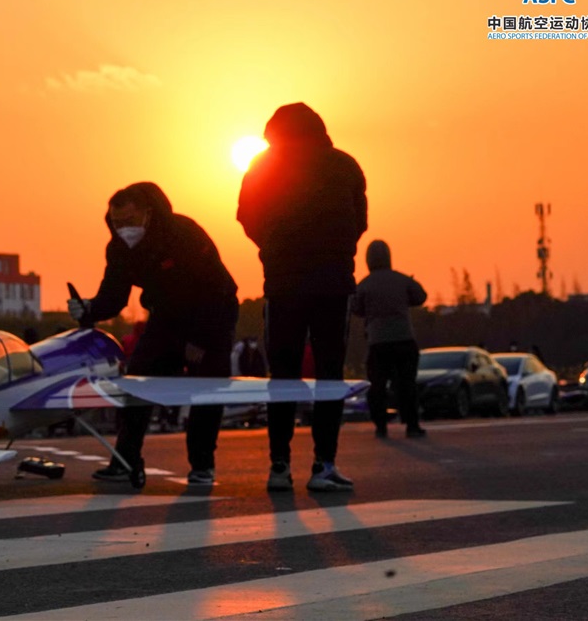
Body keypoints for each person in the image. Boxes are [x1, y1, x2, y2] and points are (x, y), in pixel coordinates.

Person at [68, 182, 239, 485]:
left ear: (148, 214)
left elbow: (218, 288)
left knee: (207, 393)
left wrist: (200, 339)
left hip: (212, 314)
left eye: (129, 222)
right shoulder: (119, 248)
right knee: (136, 384)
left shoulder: (184, 234)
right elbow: (114, 296)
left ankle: (202, 465)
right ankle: (125, 460)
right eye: (117, 223)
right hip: (165, 317)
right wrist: (89, 308)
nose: (123, 229)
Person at [237, 102, 367, 492]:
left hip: (284, 283)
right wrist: (337, 250)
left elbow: (245, 216)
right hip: (332, 283)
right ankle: (324, 464)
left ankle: (279, 465)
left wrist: (272, 250)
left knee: (283, 376)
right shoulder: (344, 164)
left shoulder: (263, 166)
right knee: (330, 375)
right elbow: (360, 220)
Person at [352, 240, 428, 439]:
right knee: (407, 385)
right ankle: (412, 425)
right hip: (404, 339)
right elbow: (420, 296)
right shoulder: (401, 280)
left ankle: (380, 426)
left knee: (377, 386)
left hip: (378, 342)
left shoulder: (365, 284)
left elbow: (355, 308)